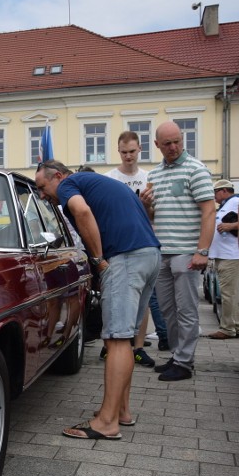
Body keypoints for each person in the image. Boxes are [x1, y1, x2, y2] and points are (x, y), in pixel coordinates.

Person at [36, 160, 160, 440]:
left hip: (125, 258)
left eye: (43, 187)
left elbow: (81, 211)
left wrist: (98, 259)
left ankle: (106, 422)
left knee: (116, 339)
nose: (43, 195)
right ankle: (121, 412)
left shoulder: (70, 184)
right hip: (150, 254)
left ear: (58, 176)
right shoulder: (105, 183)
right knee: (125, 339)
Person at [140, 121, 215, 382]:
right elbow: (153, 216)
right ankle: (177, 354)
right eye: (168, 143)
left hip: (186, 251)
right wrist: (146, 205)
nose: (174, 147)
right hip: (163, 251)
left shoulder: (196, 169)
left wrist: (202, 251)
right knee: (168, 310)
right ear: (157, 145)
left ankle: (184, 362)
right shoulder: (155, 175)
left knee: (187, 310)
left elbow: (209, 211)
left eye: (177, 141)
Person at [103, 131, 162, 365]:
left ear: (140, 150)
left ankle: (138, 346)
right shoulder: (110, 178)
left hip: (143, 243)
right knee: (112, 296)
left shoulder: (149, 178)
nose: (128, 156)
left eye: (132, 151)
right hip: (117, 245)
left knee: (142, 299)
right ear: (119, 152)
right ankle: (112, 345)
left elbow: (153, 217)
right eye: (124, 152)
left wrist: (147, 205)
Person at [207, 180, 239, 339]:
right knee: (233, 293)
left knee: (228, 294)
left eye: (215, 192)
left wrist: (230, 226)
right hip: (225, 255)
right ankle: (238, 326)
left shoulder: (236, 201)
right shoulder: (228, 204)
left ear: (223, 191)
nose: (214, 196)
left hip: (231, 255)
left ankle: (227, 328)